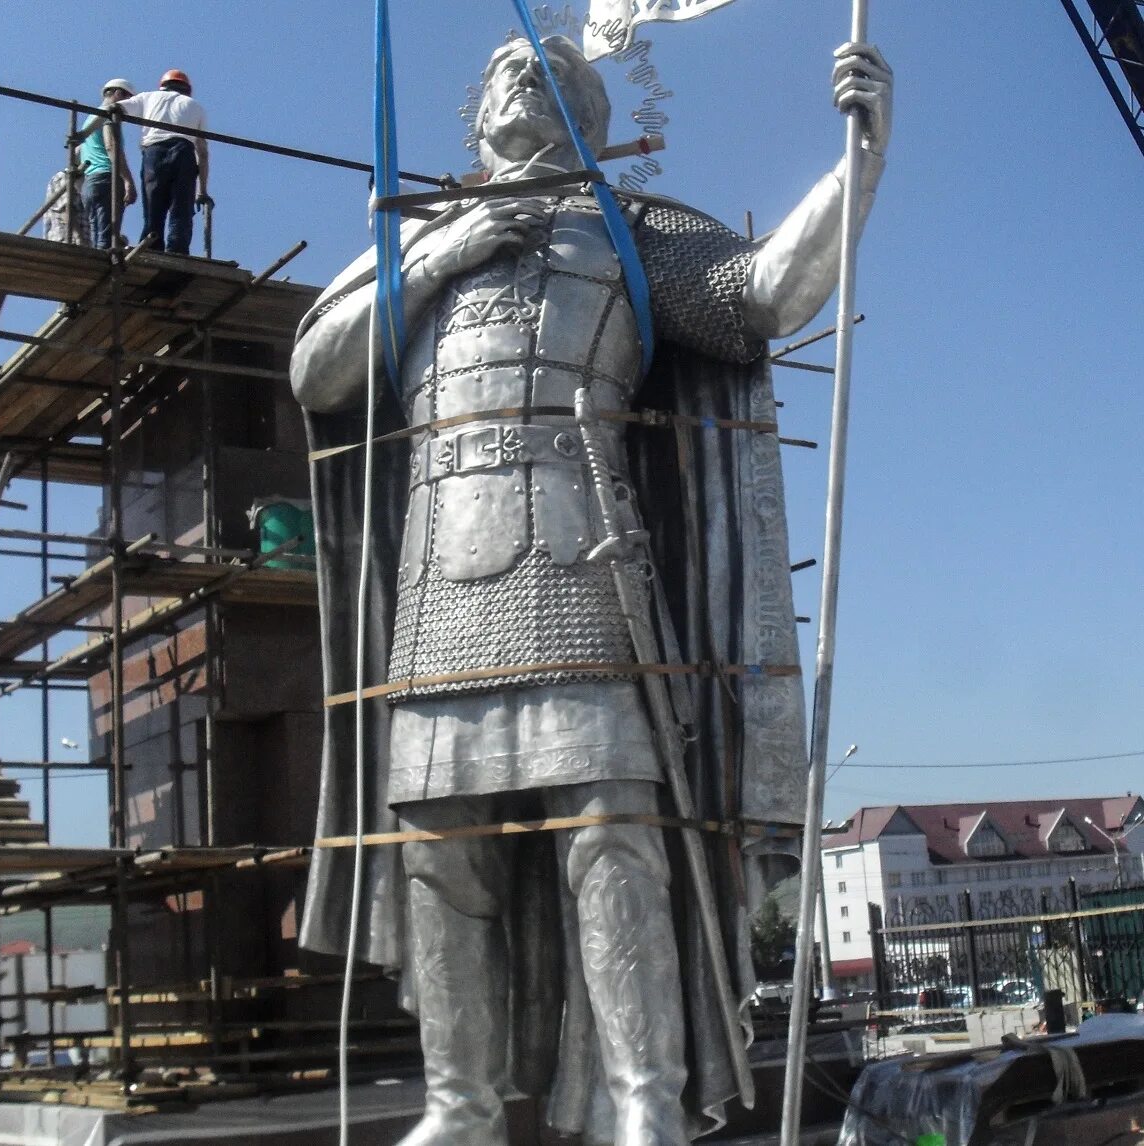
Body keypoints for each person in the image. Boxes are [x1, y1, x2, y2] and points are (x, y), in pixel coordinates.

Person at [292, 35, 892, 1146]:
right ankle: (460, 1107)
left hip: (585, 571)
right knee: (439, 848)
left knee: (612, 839)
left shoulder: (631, 231)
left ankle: (641, 1103)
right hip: (437, 578)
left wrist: (857, 165)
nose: (529, 72)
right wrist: (439, 256)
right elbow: (316, 370)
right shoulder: (418, 233)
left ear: (595, 116)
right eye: (511, 65)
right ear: (476, 114)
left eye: (556, 68)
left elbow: (761, 298)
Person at [116, 69, 210, 255]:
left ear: (162, 86)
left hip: (154, 154)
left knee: (153, 207)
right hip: (184, 154)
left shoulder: (148, 98)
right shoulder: (195, 106)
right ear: (187, 89)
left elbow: (116, 108)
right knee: (181, 210)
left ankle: (151, 248)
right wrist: (202, 190)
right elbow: (203, 152)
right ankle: (178, 251)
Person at [78, 78, 138, 249]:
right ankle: (106, 267)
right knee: (108, 236)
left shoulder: (90, 118)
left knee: (97, 232)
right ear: (118, 93)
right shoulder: (108, 116)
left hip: (90, 183)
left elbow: (78, 152)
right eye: (127, 100)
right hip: (107, 179)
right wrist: (128, 181)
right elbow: (111, 146)